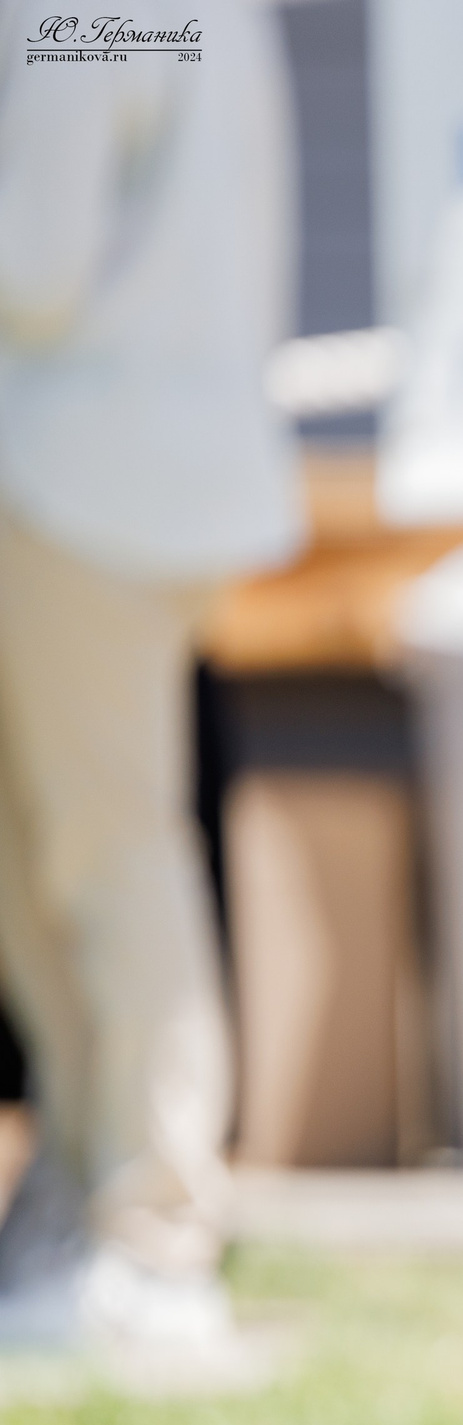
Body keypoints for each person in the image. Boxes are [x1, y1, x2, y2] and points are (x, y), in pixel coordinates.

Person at [0, 0, 306, 1342]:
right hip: (148, 471)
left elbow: (30, 259)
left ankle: (152, 1234)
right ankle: (85, 1199)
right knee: (60, 858)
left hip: (83, 484)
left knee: (102, 855)